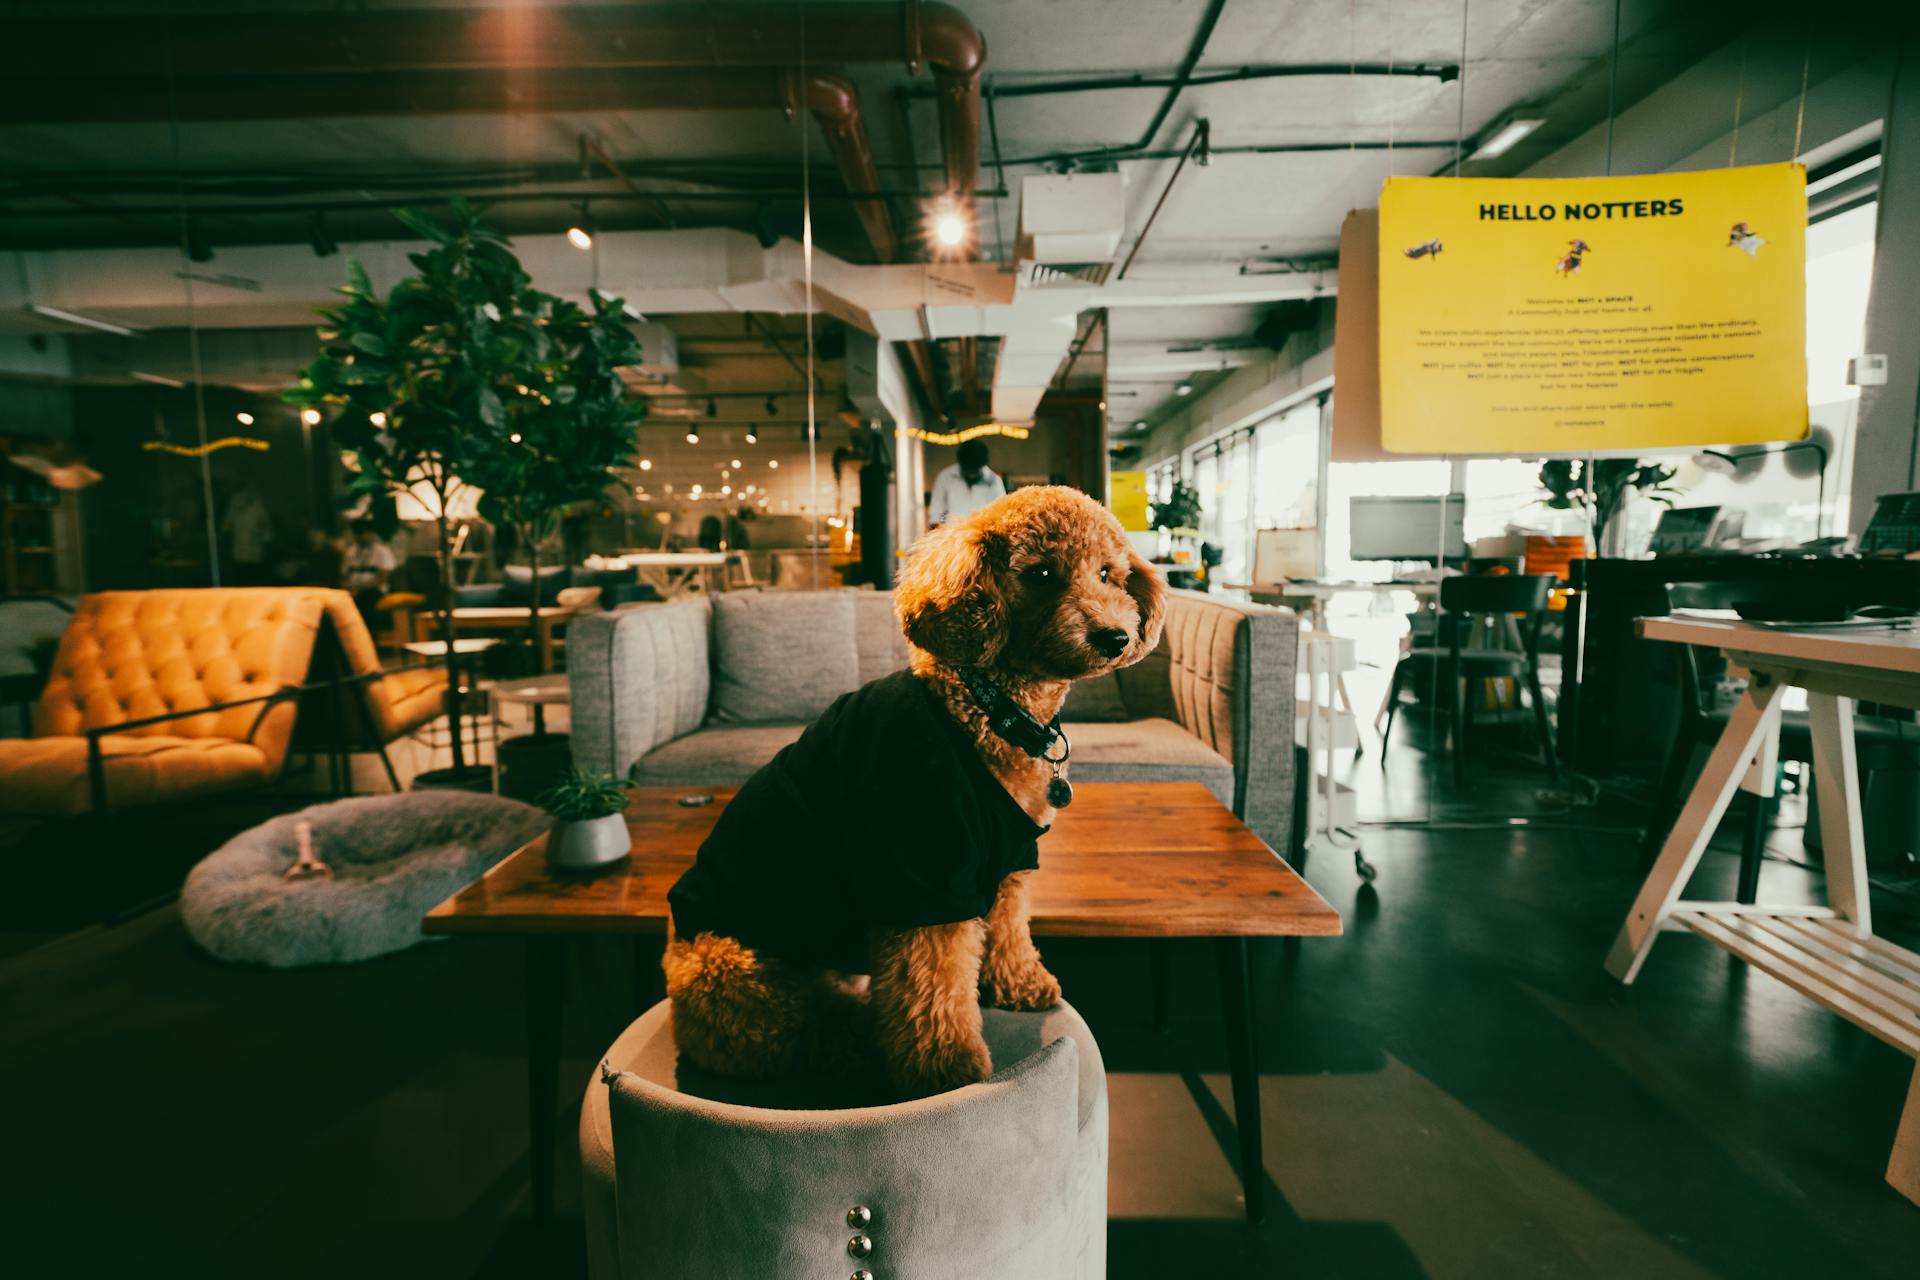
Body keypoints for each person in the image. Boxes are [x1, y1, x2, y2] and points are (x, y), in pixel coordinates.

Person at [927, 439, 1006, 525]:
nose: (971, 475)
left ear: (982, 465)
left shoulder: (994, 481)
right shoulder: (946, 477)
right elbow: (937, 513)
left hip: (982, 535)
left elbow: (1001, 514)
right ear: (961, 464)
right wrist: (944, 526)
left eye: (975, 470)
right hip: (952, 534)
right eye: (968, 470)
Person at [340, 519, 399, 625]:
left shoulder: (382, 551)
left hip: (374, 591)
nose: (362, 537)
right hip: (353, 590)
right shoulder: (351, 552)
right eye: (358, 534)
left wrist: (361, 587)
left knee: (365, 601)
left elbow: (383, 577)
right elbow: (344, 575)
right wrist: (348, 587)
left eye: (365, 533)